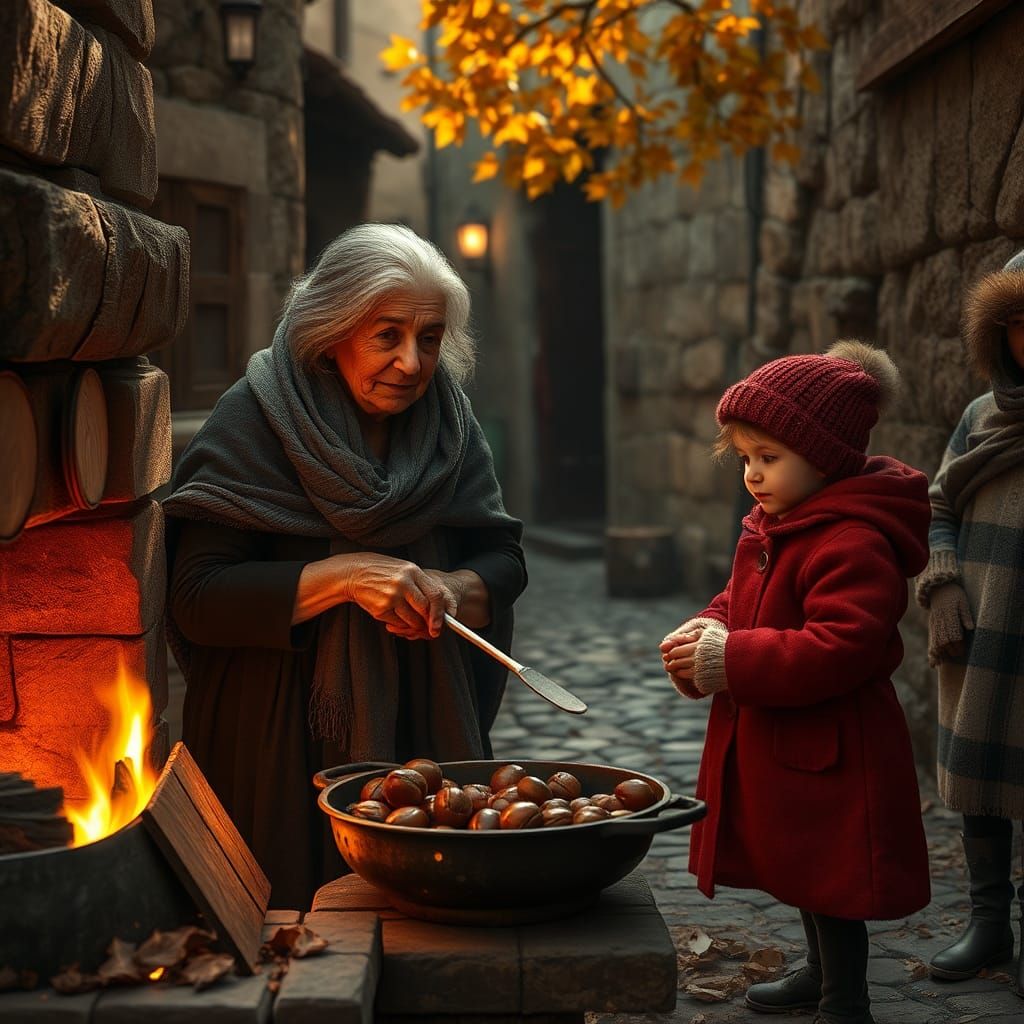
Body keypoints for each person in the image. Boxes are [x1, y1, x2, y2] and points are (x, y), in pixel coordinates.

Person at [163, 223, 527, 909]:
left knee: (426, 920)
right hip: (277, 736)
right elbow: (197, 598)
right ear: (332, 329)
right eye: (387, 335)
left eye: (429, 337)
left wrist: (453, 587)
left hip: (424, 726)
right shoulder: (254, 419)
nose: (413, 363)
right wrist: (350, 577)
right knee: (292, 925)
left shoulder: (449, 421)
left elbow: (502, 559)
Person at [660, 341, 931, 1024]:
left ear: (825, 455)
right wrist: (704, 631)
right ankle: (816, 974)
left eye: (769, 458)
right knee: (804, 869)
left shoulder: (853, 542)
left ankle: (847, 999)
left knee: (835, 877)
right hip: (786, 737)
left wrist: (732, 660)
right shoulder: (774, 524)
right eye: (746, 458)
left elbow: (840, 647)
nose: (752, 475)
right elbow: (737, 602)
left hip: (838, 745)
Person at [916, 249, 1024, 991]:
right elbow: (937, 505)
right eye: (1019, 325)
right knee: (983, 782)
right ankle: (989, 926)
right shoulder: (982, 417)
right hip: (985, 629)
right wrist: (943, 582)